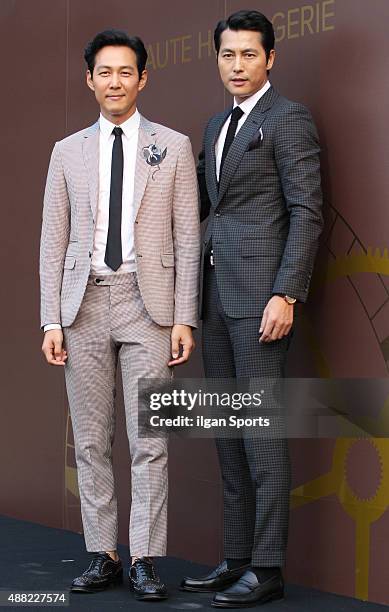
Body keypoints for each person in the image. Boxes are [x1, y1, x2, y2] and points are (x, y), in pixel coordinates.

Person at [40, 29, 200, 601]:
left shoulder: (173, 146)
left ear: (143, 77)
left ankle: (146, 560)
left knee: (150, 439)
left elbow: (187, 237)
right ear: (90, 80)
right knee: (90, 440)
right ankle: (103, 553)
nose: (115, 81)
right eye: (104, 72)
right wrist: (50, 320)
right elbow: (52, 241)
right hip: (82, 305)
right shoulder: (66, 151)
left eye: (125, 72)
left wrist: (186, 317)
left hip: (148, 304)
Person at [181, 10, 323, 608]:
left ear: (270, 59)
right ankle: (236, 557)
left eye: (247, 55)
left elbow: (307, 212)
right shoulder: (216, 124)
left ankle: (266, 569)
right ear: (216, 59)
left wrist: (286, 293)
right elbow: (195, 207)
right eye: (227, 55)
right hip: (213, 302)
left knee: (260, 435)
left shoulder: (288, 120)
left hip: (263, 301)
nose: (236, 65)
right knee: (228, 436)